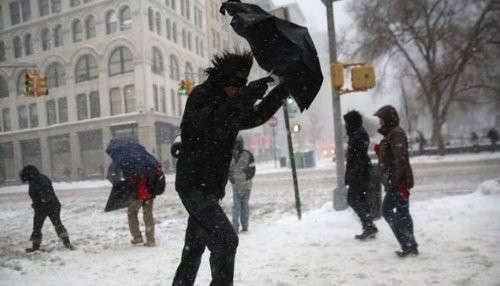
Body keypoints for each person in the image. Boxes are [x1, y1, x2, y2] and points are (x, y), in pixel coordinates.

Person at [172, 50, 289, 286]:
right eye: (235, 83)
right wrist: (246, 96)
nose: (238, 88)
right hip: (193, 186)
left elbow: (255, 116)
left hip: (210, 189)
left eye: (243, 83)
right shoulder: (201, 95)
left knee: (194, 247)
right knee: (226, 241)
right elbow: (215, 123)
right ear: (223, 78)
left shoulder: (230, 103)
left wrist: (282, 90)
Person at [374, 105, 419, 257]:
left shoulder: (396, 134)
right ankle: (410, 245)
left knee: (386, 211)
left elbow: (400, 159)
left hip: (398, 182)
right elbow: (394, 156)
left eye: (381, 119)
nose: (379, 122)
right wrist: (381, 151)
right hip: (399, 181)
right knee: (403, 212)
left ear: (387, 119)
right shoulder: (392, 134)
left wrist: (397, 182)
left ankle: (408, 243)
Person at [19, 165, 75, 252]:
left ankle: (35, 246)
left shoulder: (35, 181)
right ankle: (67, 242)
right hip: (53, 205)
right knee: (57, 224)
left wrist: (41, 200)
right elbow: (47, 189)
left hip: (43, 207)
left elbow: (42, 192)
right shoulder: (42, 177)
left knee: (37, 227)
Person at [343, 110, 378, 240]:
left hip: (359, 174)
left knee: (353, 199)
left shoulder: (358, 136)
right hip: (359, 173)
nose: (346, 125)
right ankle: (369, 225)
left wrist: (352, 175)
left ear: (352, 123)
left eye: (347, 123)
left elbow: (357, 158)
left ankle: (369, 225)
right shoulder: (356, 134)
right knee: (361, 200)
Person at [107, 161, 157, 247]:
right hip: (149, 192)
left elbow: (126, 179)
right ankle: (150, 240)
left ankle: (137, 236)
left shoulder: (128, 163)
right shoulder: (147, 161)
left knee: (132, 213)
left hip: (138, 193)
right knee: (148, 215)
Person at [228, 136, 256, 233]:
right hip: (236, 186)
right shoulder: (229, 156)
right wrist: (233, 179)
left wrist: (244, 178)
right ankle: (235, 227)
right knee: (236, 206)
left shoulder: (248, 155)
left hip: (246, 186)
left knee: (244, 206)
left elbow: (252, 170)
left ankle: (245, 225)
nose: (236, 146)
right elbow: (227, 171)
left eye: (237, 143)